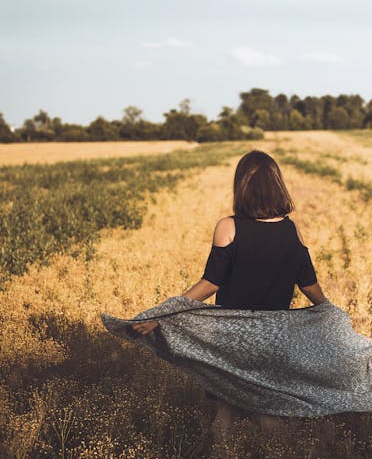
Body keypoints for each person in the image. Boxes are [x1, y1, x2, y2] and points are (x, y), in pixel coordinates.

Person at [132, 150, 326, 438]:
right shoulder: (291, 230)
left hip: (232, 336)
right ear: (277, 185)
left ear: (242, 186)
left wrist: (164, 313)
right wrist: (330, 312)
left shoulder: (229, 227)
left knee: (226, 411)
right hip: (274, 337)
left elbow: (210, 283)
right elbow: (308, 285)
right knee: (268, 413)